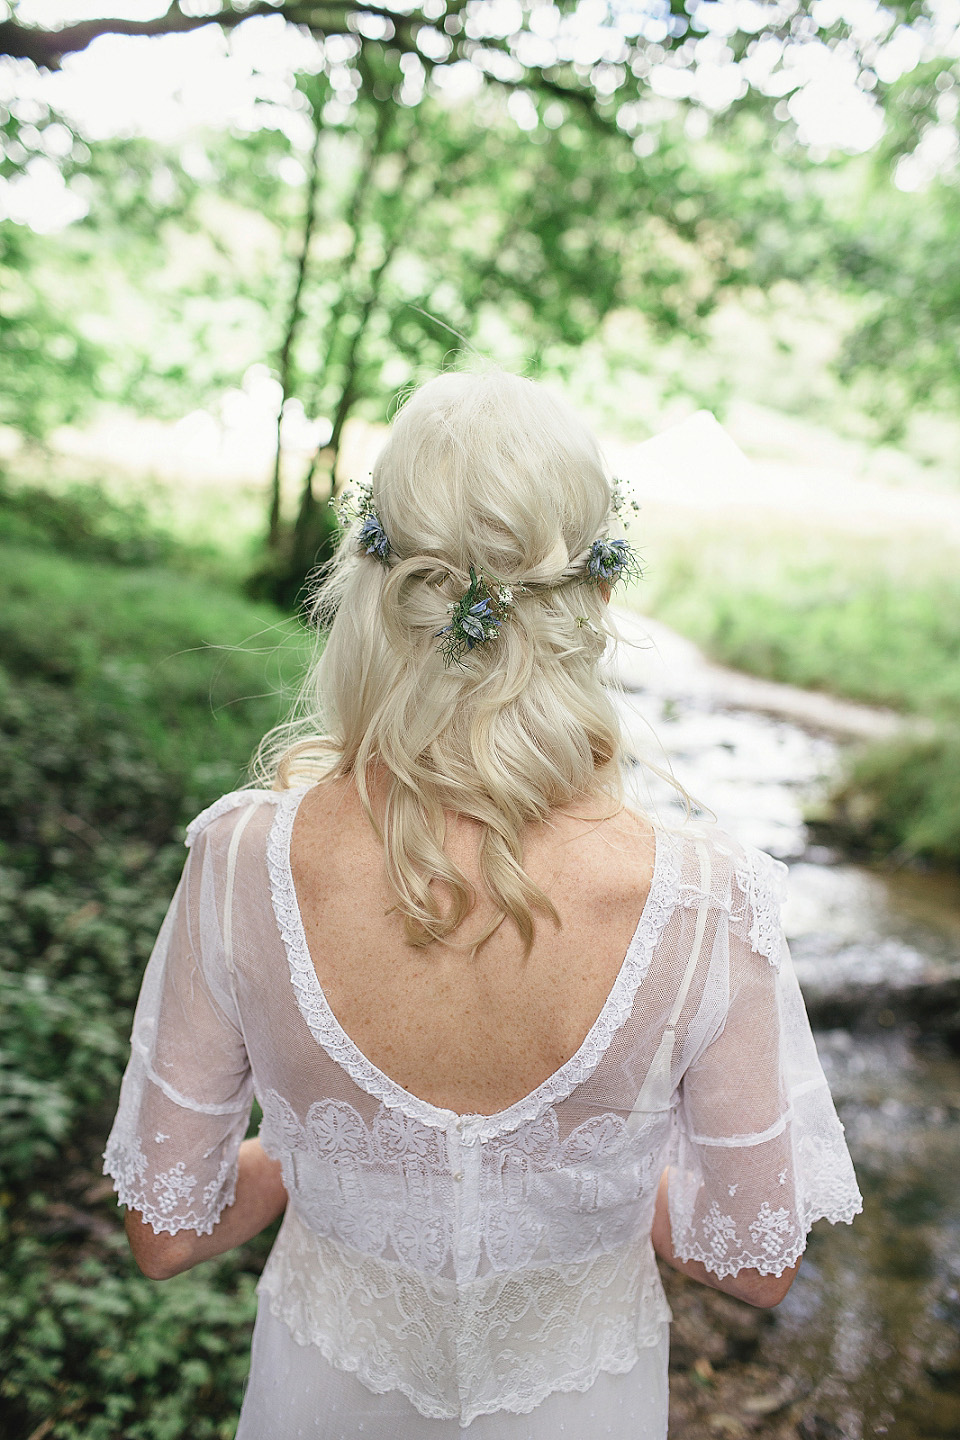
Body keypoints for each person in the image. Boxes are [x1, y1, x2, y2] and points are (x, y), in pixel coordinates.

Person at [104, 369, 862, 1439]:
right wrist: (583, 1186)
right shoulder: (707, 901)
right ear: (594, 595)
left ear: (371, 583)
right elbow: (758, 1262)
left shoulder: (241, 861)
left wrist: (332, 1167)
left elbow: (166, 1231)